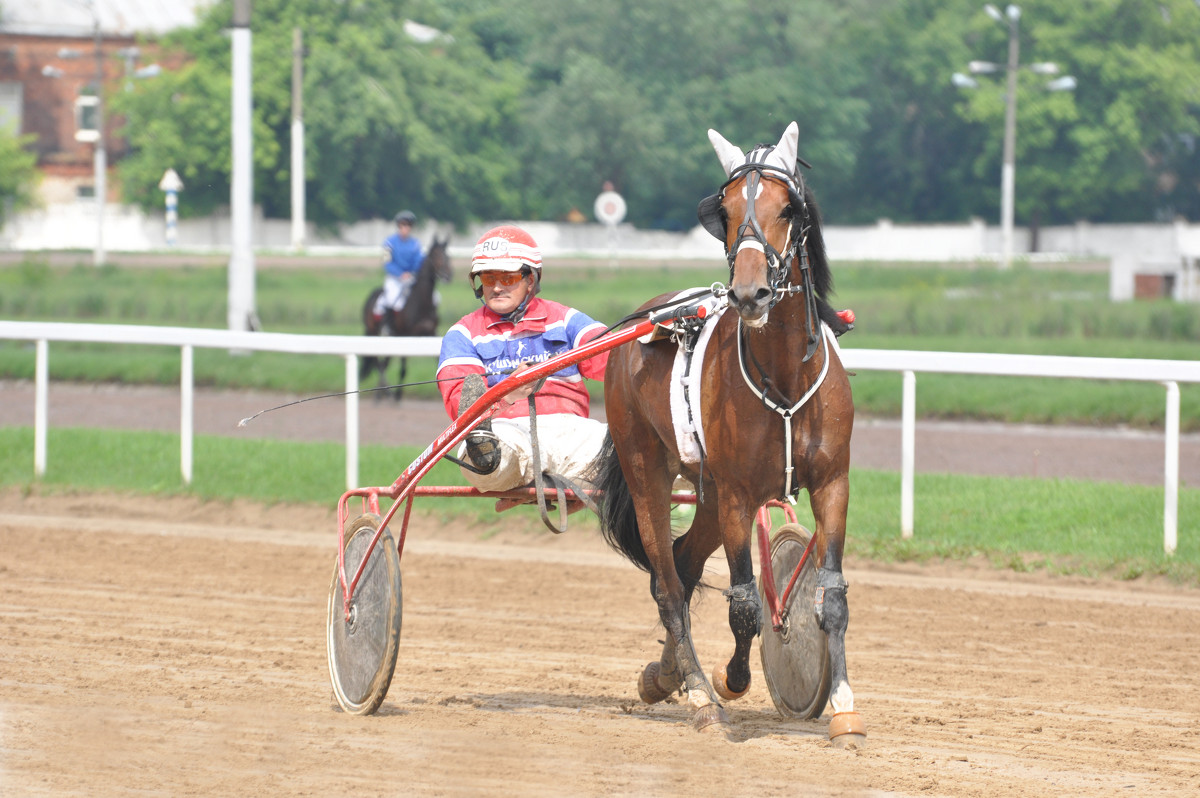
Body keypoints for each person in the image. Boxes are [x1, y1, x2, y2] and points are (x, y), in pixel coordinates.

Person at [436, 225, 609, 493]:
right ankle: (484, 452)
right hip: (505, 430)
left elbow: (614, 361)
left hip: (573, 432)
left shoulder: (566, 319)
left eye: (507, 278)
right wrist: (507, 392)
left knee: (637, 449)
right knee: (492, 451)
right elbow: (458, 400)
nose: (495, 287)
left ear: (531, 279)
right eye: (488, 277)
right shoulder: (462, 334)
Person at [372, 210, 425, 324]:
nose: (405, 228)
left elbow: (419, 260)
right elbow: (386, 262)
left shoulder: (416, 244)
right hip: (394, 278)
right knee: (393, 300)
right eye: (403, 225)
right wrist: (400, 274)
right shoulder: (389, 243)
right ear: (399, 226)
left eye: (408, 226)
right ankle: (387, 324)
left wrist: (412, 273)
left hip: (411, 278)